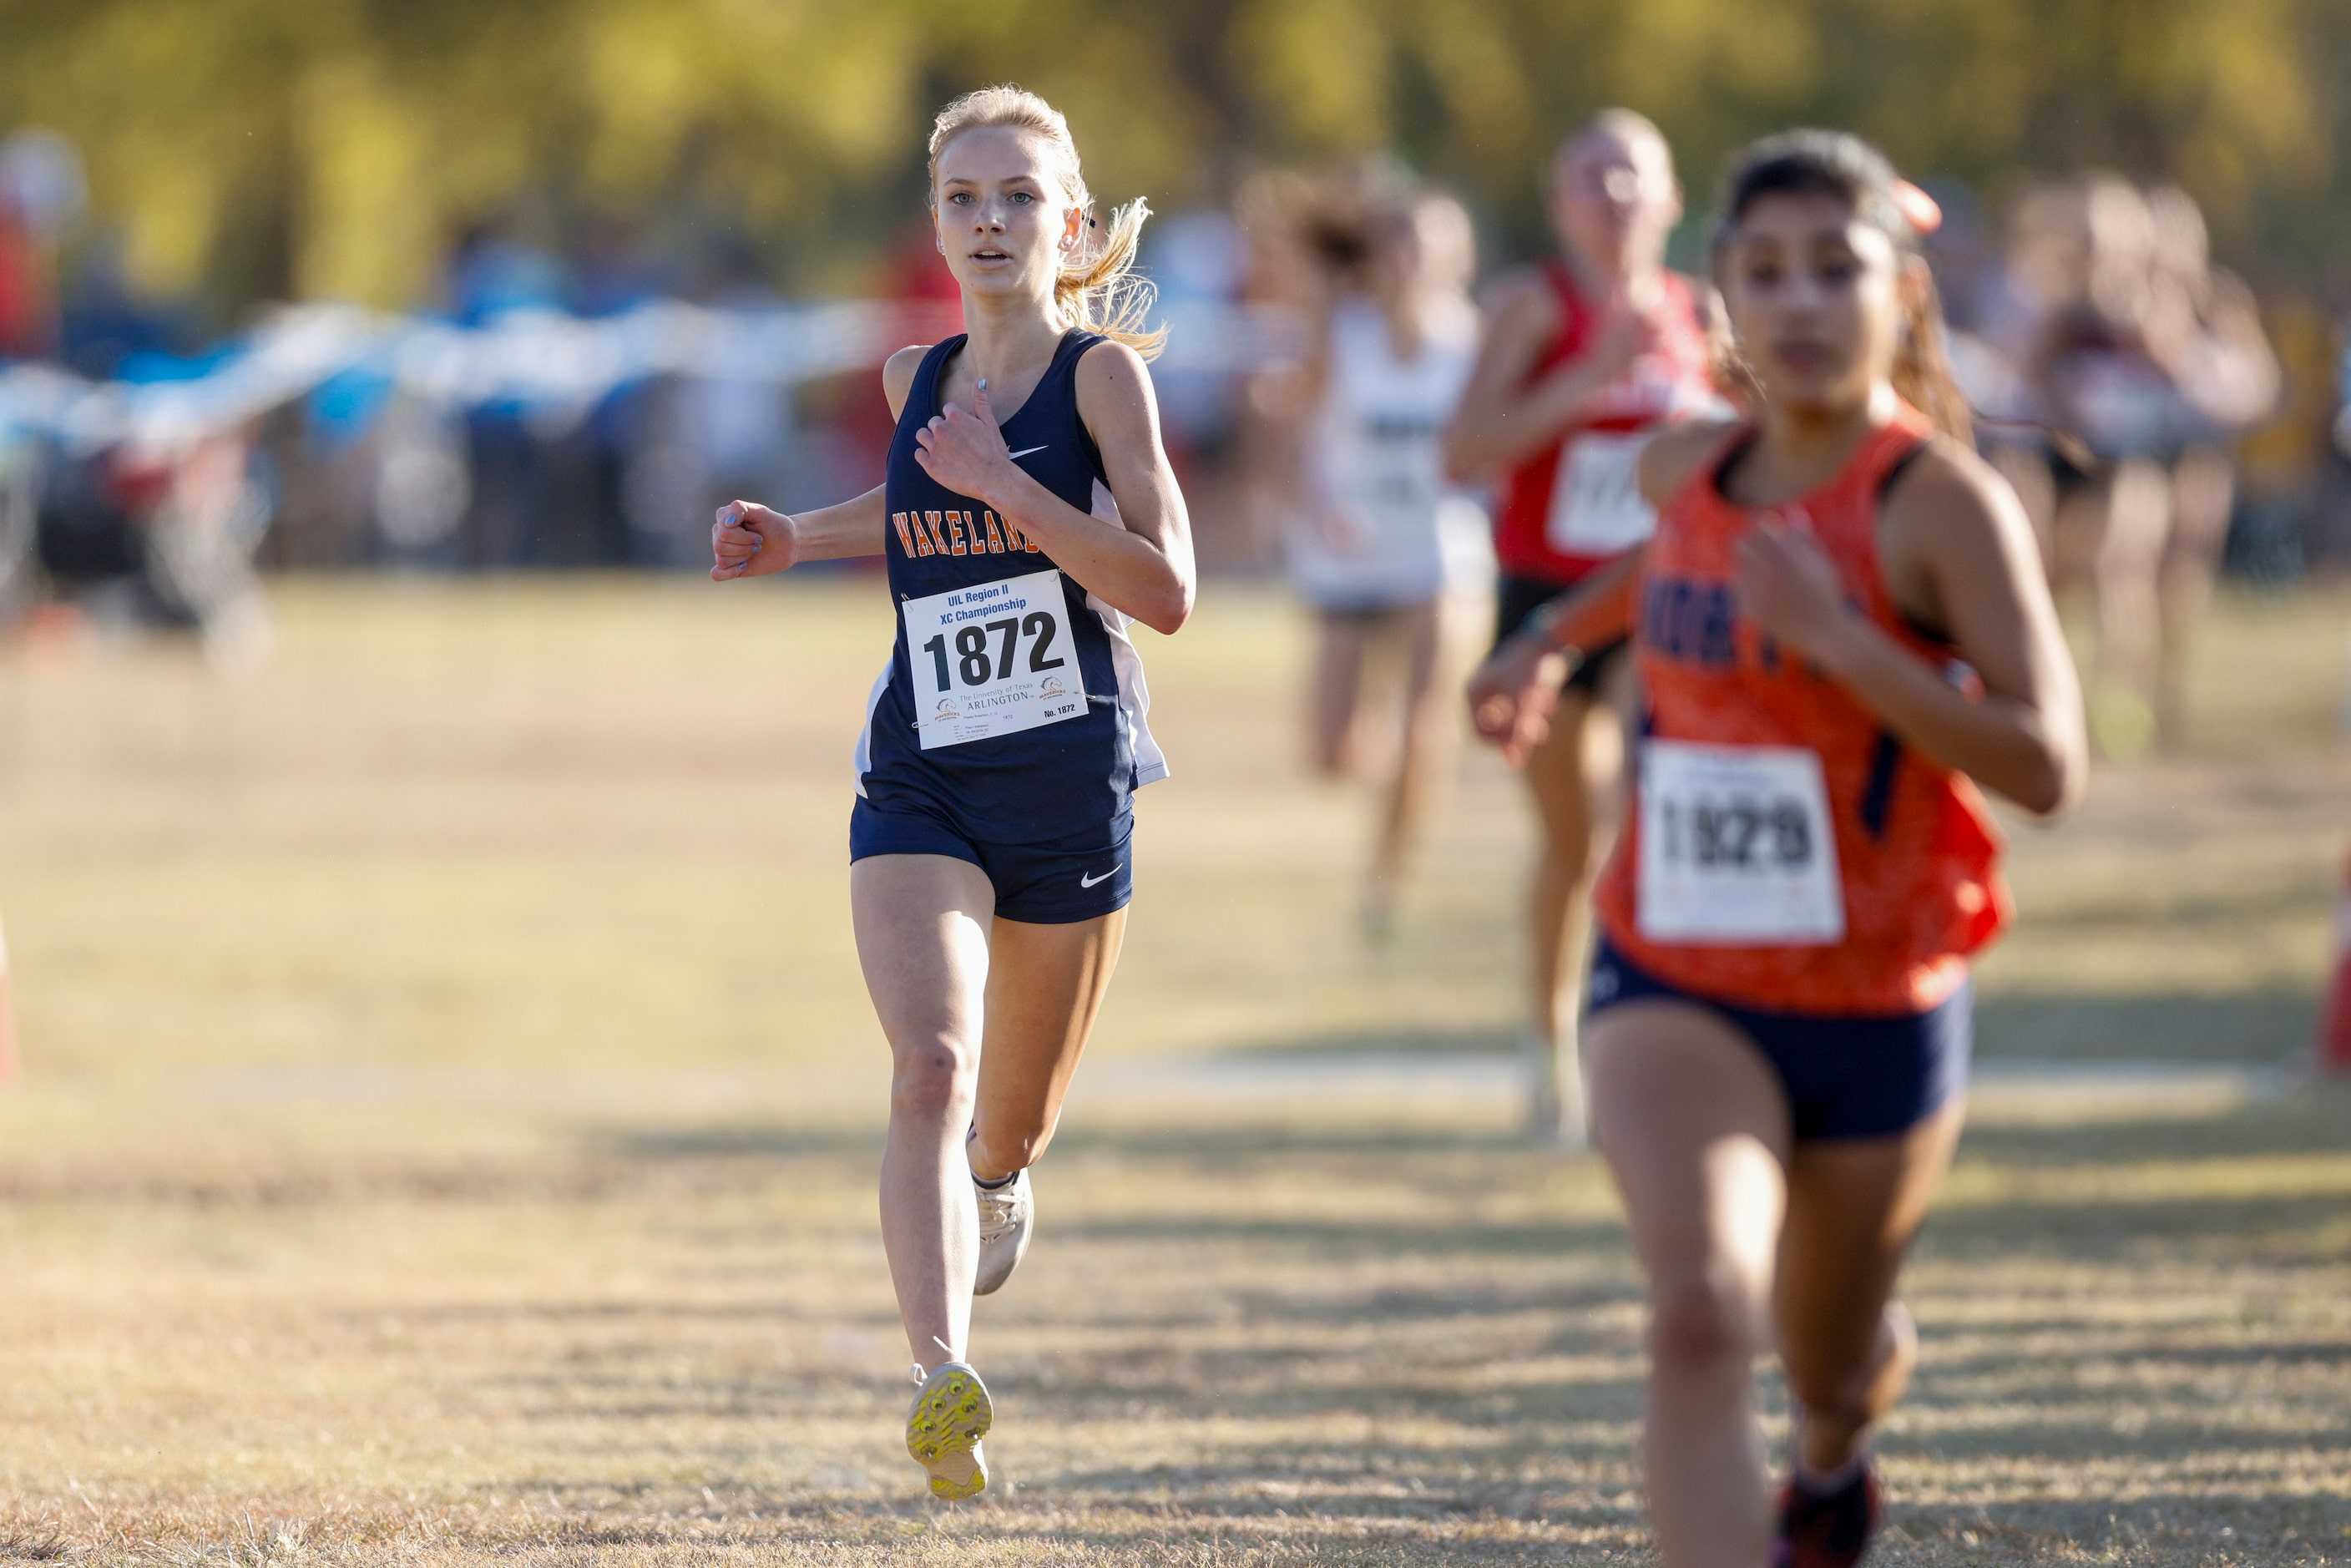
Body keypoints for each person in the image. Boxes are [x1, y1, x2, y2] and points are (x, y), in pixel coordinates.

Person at [1468, 130, 2086, 1565]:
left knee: (1829, 1356)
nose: (1798, 302)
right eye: (1765, 272)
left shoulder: (1940, 505)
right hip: (1674, 963)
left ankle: (1831, 1453)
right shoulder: (1689, 462)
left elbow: (2048, 763)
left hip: (1878, 994)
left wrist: (1845, 643)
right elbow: (1675, 552)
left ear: (1900, 293)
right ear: (1723, 297)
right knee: (1695, 1308)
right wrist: (1545, 640)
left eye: (1834, 268)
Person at [710, 84, 1193, 1502]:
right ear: (936, 225)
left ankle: (999, 1176)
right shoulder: (908, 378)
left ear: (1072, 226)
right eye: (965, 200)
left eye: (1019, 198)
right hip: (923, 774)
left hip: (1069, 781)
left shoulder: (1104, 381)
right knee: (928, 1061)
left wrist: (1016, 490)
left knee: (1007, 1119)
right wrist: (796, 536)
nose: (990, 222)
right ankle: (944, 1380)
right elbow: (920, 509)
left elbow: (1165, 589)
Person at [1443, 110, 1722, 1144]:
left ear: (1669, 199)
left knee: (1668, 822)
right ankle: (1548, 1043)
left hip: (1667, 605)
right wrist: (1586, 381)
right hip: (1546, 611)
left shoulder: (1699, 313)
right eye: (1590, 178)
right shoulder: (1533, 306)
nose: (1612, 198)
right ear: (1559, 199)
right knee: (1577, 842)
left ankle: (1666, 1045)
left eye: (1630, 177)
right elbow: (1464, 451)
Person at [1254, 176, 1491, 937]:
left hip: (1438, 551)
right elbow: (1285, 444)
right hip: (1347, 557)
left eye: (1426, 245)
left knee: (1428, 722)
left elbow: (1496, 449)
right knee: (1333, 754)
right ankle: (1383, 746)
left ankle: (1386, 886)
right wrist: (1313, 504)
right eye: (1397, 243)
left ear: (1458, 258)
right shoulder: (1340, 335)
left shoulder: (1474, 343)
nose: (1409, 260)